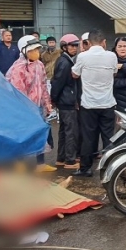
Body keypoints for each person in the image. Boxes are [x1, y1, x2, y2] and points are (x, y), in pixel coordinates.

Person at [7, 35, 56, 173]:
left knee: (40, 134)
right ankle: (19, 162)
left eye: (37, 49)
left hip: (38, 107)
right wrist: (26, 109)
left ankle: (40, 164)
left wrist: (47, 103)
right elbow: (18, 91)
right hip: (24, 109)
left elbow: (43, 85)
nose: (36, 52)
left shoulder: (39, 65)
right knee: (22, 135)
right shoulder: (18, 68)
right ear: (24, 51)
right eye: (32, 50)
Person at [71, 30, 117, 177]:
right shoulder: (112, 56)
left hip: (88, 104)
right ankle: (111, 167)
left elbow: (74, 74)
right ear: (104, 42)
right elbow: (114, 72)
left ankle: (85, 168)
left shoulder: (82, 56)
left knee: (88, 137)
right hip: (108, 103)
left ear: (88, 43)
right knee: (108, 137)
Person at [51, 34, 82, 170]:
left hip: (64, 100)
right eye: (72, 45)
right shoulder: (65, 62)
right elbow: (58, 83)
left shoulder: (66, 60)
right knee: (71, 132)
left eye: (76, 45)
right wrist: (54, 98)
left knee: (64, 131)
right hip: (67, 101)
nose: (75, 48)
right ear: (64, 47)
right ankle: (70, 160)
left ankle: (61, 158)